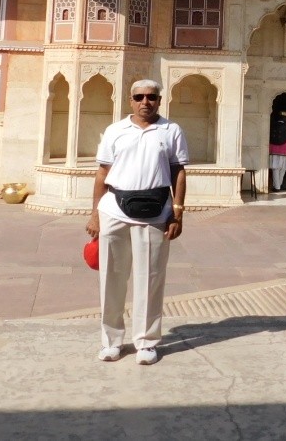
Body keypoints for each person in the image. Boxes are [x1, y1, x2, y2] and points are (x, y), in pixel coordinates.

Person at [85, 79, 188, 366]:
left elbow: (179, 172)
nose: (146, 102)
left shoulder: (171, 131)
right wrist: (95, 213)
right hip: (115, 210)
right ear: (130, 100)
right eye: (140, 97)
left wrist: (177, 212)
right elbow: (101, 173)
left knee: (150, 278)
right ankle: (111, 341)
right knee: (112, 278)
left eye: (152, 97)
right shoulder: (116, 131)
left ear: (159, 100)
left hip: (156, 212)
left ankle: (146, 342)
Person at [268, 111, 286, 192]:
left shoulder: (271, 125)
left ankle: (277, 186)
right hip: (284, 151)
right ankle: (279, 186)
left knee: (275, 169)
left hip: (273, 150)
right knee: (282, 169)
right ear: (285, 118)